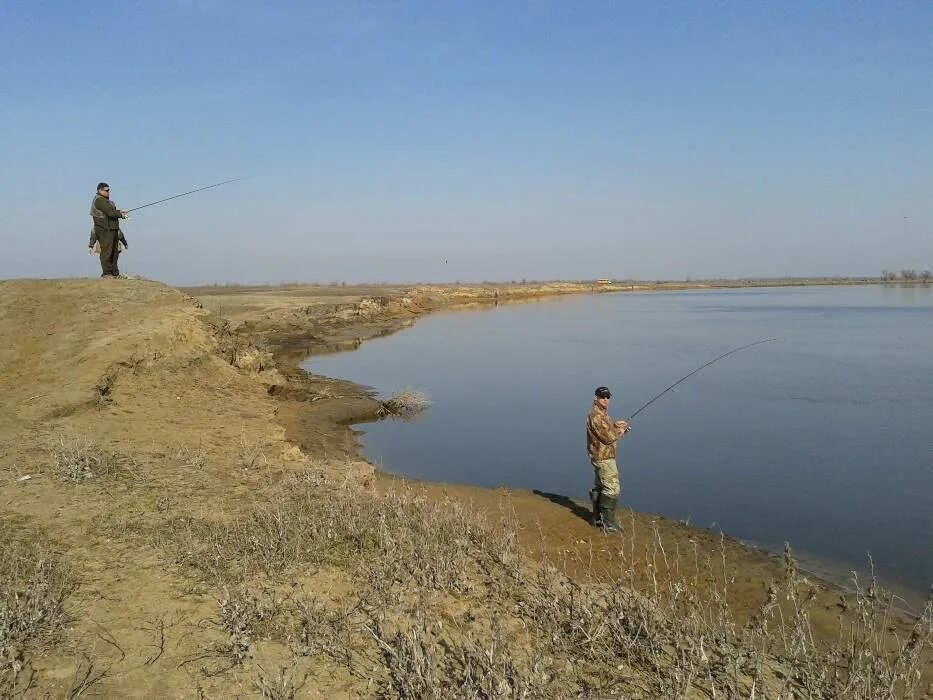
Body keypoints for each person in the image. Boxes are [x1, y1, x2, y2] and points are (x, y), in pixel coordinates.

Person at [586, 386, 630, 532]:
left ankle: (597, 519)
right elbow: (608, 437)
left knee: (600, 486)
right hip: (604, 458)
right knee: (612, 488)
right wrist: (621, 431)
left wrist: (614, 425)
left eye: (607, 398)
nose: (605, 400)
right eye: (602, 397)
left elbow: (605, 429)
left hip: (600, 456)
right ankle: (608, 523)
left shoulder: (600, 414)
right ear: (595, 398)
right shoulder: (597, 416)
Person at [88, 182, 128, 277]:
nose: (108, 192)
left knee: (114, 253)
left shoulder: (105, 200)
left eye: (109, 190)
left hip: (112, 229)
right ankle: (107, 273)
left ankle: (115, 273)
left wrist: (120, 211)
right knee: (107, 252)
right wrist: (121, 215)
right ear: (100, 190)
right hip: (105, 230)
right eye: (106, 190)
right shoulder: (99, 200)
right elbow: (110, 213)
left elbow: (111, 212)